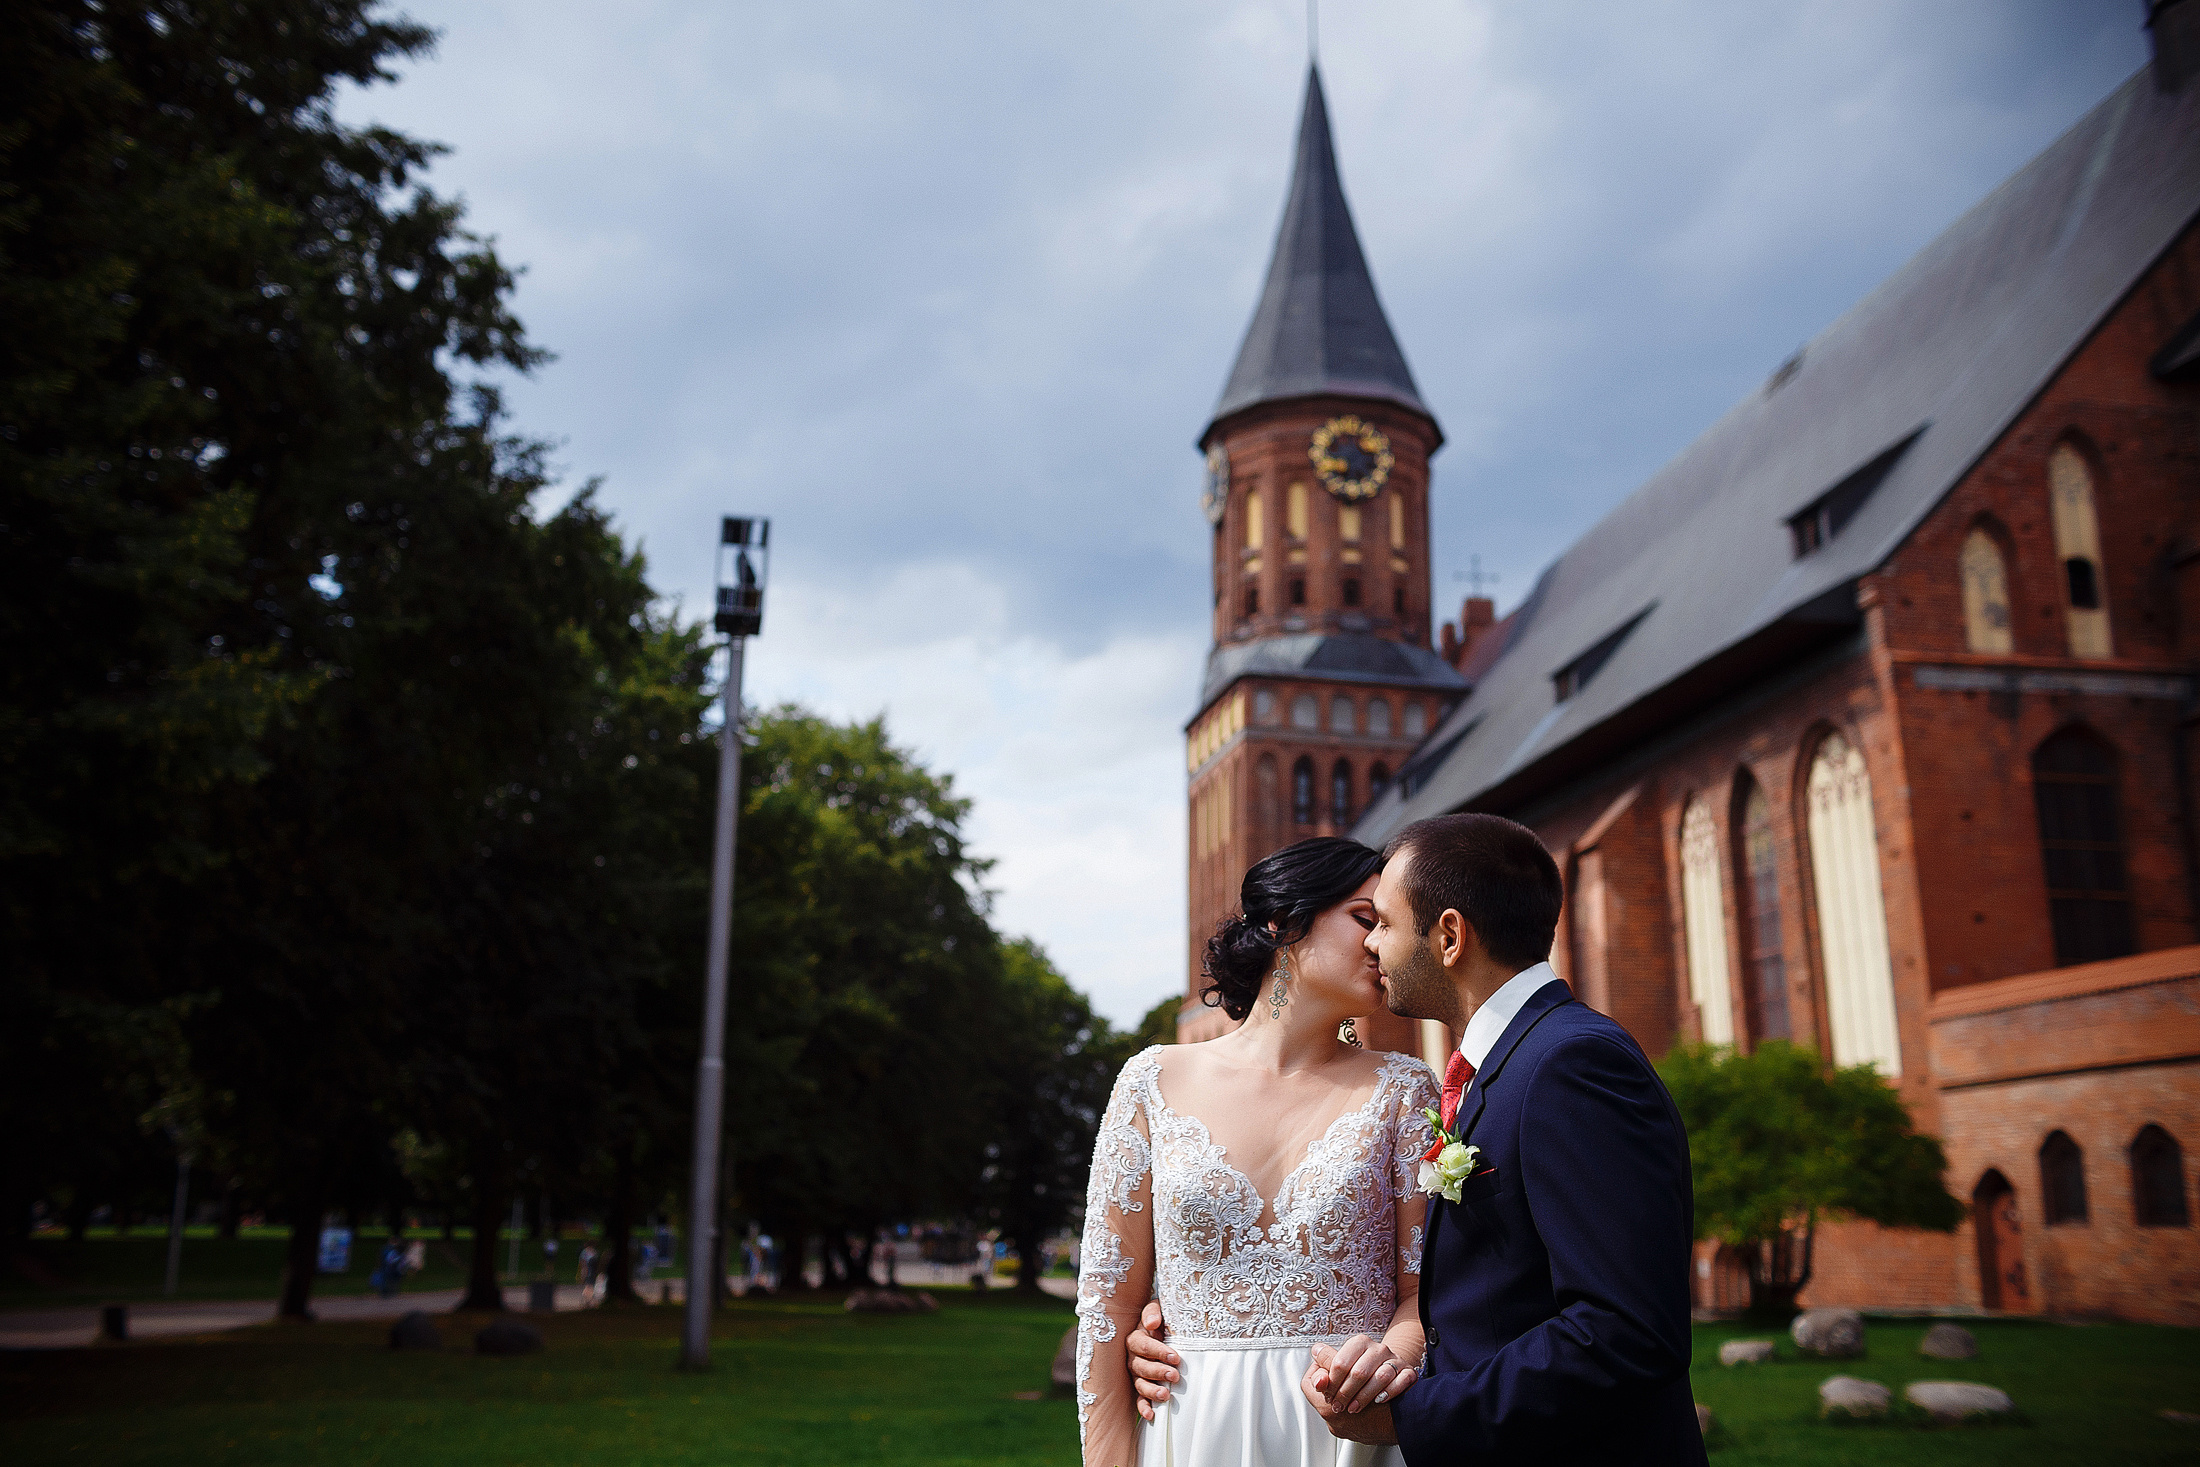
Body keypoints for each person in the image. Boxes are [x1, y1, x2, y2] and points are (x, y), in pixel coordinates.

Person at [1125, 813, 1704, 1466]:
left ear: (1450, 936)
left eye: (1384, 923)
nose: (1373, 945)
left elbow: (1626, 1331)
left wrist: (1411, 1413)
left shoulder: (1570, 1065)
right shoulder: (1510, 1066)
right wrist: (1187, 1313)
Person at [1074, 837, 1438, 1467]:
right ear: (1282, 922)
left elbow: (1426, 1295)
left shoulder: (1404, 1091)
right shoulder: (1151, 1082)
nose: (1381, 944)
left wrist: (1388, 1363)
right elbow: (1108, 1307)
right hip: (1192, 1428)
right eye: (1364, 919)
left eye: (1388, 926)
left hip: (1349, 1431)